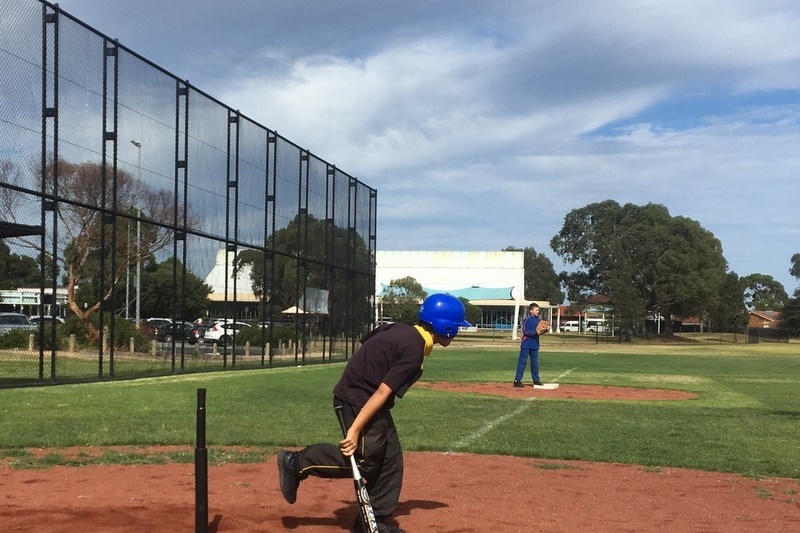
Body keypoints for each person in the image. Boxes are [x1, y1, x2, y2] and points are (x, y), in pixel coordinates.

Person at [277, 293, 472, 533]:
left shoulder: (400, 329)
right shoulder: (414, 349)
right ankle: (296, 463)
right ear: (446, 327)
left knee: (390, 459)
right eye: (457, 327)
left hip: (361, 397)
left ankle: (373, 519)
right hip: (358, 400)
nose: (458, 332)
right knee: (364, 461)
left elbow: (367, 342)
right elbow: (381, 392)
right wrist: (355, 429)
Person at [513, 303, 545, 387]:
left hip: (535, 344)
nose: (538, 311)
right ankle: (517, 380)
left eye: (538, 310)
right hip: (526, 343)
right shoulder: (527, 319)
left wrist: (545, 329)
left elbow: (540, 332)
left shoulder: (539, 320)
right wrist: (534, 333)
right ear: (531, 311)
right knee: (522, 362)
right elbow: (525, 331)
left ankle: (536, 380)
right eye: (536, 310)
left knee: (535, 363)